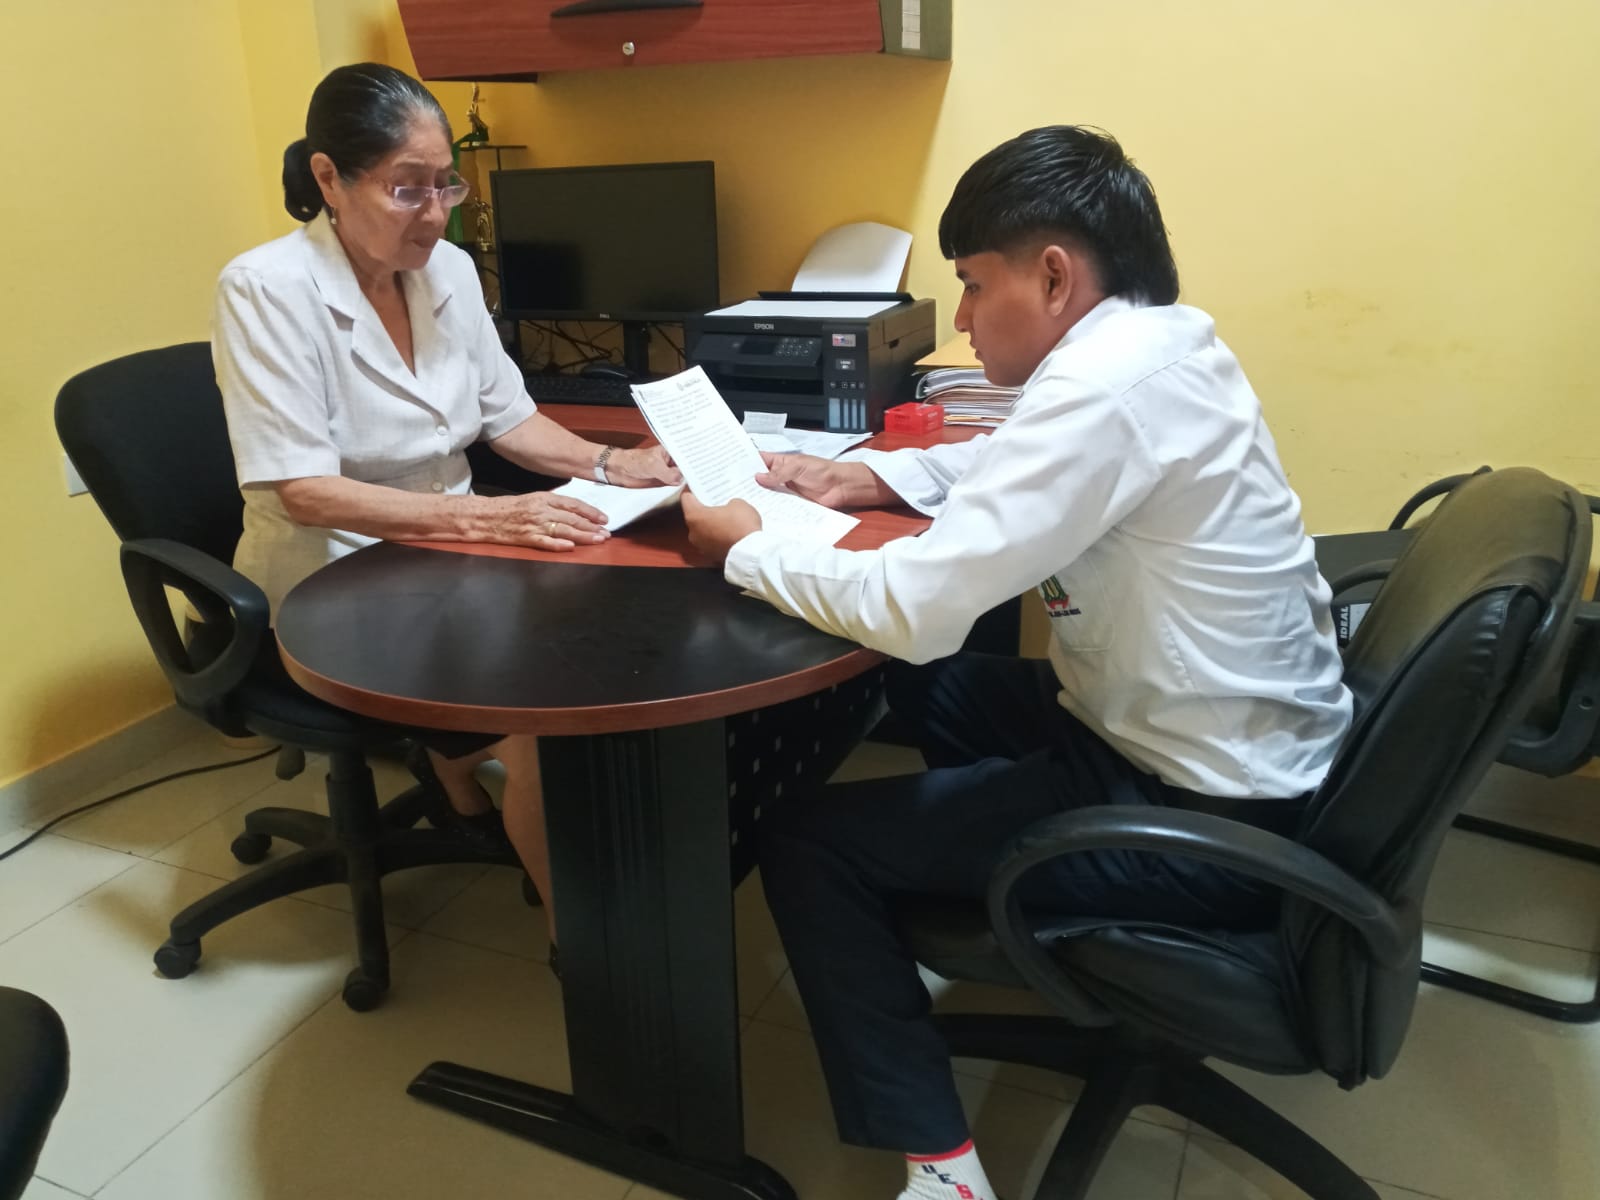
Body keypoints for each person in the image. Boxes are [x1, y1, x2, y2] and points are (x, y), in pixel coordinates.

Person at [681, 125, 1351, 1200]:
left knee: (810, 838)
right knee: (918, 685)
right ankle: (989, 895)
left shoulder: (1103, 388)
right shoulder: (1156, 346)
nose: (958, 317)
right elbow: (1022, 461)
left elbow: (913, 608)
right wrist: (872, 482)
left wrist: (746, 546)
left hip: (1200, 814)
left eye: (970, 283)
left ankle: (943, 1175)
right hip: (1211, 739)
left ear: (1052, 276)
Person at [212, 62, 680, 960]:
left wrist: (613, 462)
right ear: (328, 178)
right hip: (333, 576)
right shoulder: (265, 289)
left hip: (448, 560)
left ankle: (461, 774)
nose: (434, 214)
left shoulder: (449, 270)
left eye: (445, 186)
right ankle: (586, 957)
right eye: (407, 188)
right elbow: (300, 488)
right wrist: (494, 522)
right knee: (548, 719)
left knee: (611, 627)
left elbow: (511, 419)